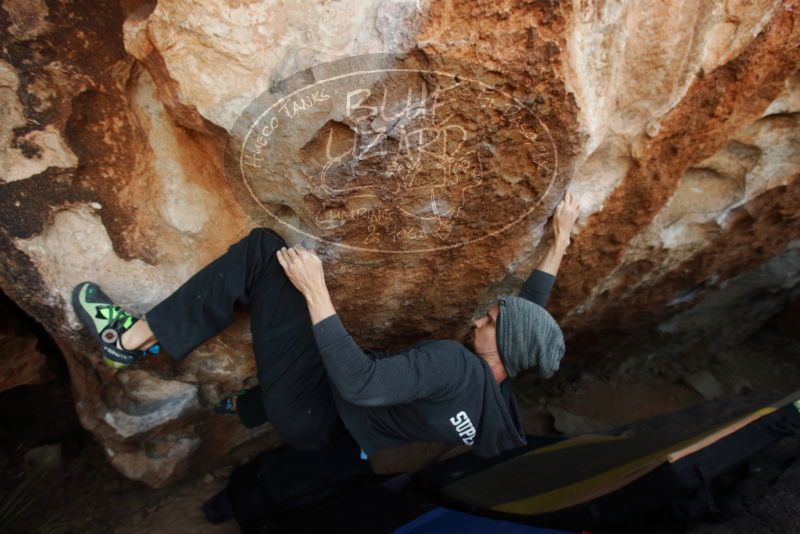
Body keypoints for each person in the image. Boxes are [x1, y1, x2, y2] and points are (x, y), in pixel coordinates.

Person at [72, 191, 581, 458]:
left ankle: (131, 338)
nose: (477, 318)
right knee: (303, 367)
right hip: (332, 428)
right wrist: (559, 240)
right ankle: (247, 406)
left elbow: (359, 381)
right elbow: (529, 311)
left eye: (489, 320)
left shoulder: (453, 367)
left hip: (321, 403)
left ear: (504, 348)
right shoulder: (494, 396)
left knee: (263, 253)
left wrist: (315, 288)